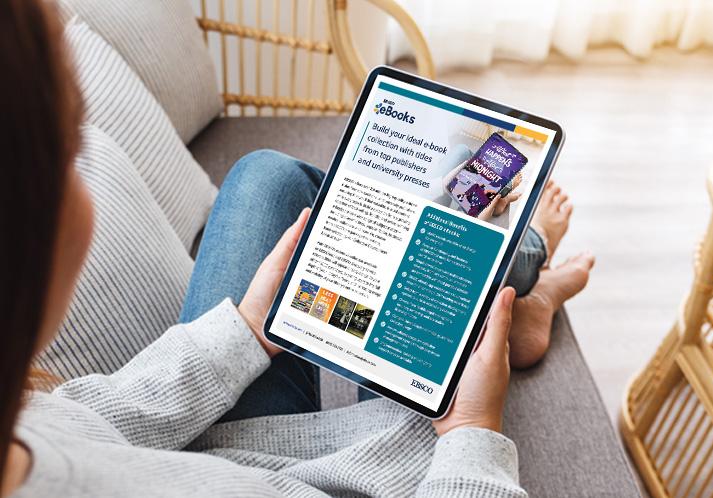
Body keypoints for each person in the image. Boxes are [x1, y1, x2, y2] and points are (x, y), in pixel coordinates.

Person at [0, 1, 594, 496]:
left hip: (221, 446)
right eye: (74, 150)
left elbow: (94, 420)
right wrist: (473, 431)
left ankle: (519, 290)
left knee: (270, 177)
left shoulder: (22, 425)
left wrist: (245, 330)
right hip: (336, 475)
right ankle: (528, 266)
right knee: (434, 307)